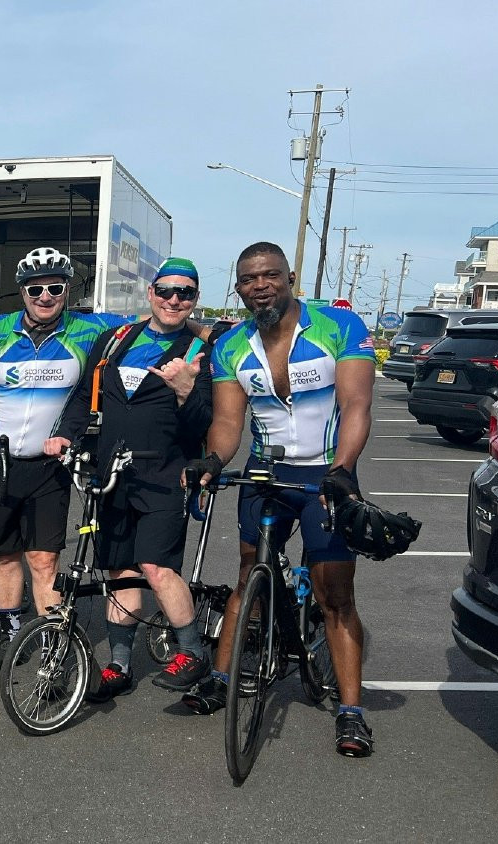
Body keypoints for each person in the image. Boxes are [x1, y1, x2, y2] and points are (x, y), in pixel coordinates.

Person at [181, 241, 377, 758]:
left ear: (290, 276)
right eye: (248, 279)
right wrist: (213, 462)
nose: (259, 285)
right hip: (267, 473)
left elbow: (357, 405)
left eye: (269, 275)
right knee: (248, 576)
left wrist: (343, 471)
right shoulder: (231, 346)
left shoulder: (338, 327)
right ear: (239, 287)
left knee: (335, 594)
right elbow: (227, 424)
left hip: (325, 475)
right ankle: (223, 679)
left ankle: (351, 712)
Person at [0, 245, 131, 670]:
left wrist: (205, 334)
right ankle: (12, 630)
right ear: (22, 291)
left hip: (47, 466)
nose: (45, 296)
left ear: (68, 289)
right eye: (35, 288)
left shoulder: (89, 330)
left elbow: (152, 327)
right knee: (2, 556)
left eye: (55, 287)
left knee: (43, 558)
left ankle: (54, 644)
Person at [55, 258, 213, 700]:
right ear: (151, 293)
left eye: (185, 293)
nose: (173, 300)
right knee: (119, 570)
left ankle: (192, 652)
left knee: (156, 566)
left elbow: (205, 422)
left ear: (194, 299)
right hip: (111, 474)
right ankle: (119, 666)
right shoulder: (116, 339)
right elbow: (85, 398)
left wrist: (184, 388)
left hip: (165, 474)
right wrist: (64, 437)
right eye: (166, 290)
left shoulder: (199, 351)